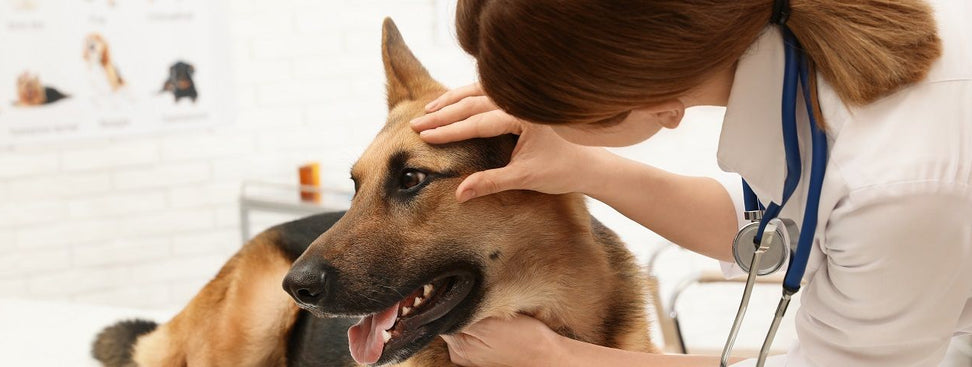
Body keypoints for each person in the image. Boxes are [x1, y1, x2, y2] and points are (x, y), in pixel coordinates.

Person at [410, 0, 972, 366]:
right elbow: (773, 225)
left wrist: (558, 358)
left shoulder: (899, 181)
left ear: (656, 106)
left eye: (544, 114)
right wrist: (580, 165)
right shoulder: (794, 38)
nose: (531, 128)